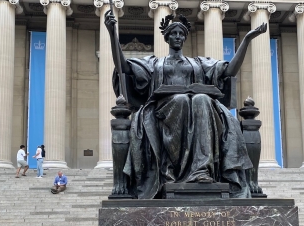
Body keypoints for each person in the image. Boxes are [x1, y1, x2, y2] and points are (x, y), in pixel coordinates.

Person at [105, 12, 267, 199]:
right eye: (174, 33)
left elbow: (229, 70)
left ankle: (201, 170)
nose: (178, 37)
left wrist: (246, 40)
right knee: (181, 100)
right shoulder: (155, 63)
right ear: (166, 37)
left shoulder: (198, 63)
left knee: (202, 99)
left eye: (181, 34)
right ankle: (173, 171)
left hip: (197, 108)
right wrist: (112, 34)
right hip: (162, 108)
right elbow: (124, 68)